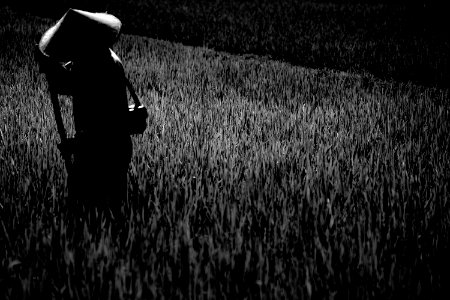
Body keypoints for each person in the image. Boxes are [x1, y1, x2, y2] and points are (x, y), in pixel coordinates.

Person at [36, 8, 132, 224]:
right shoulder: (100, 56)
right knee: (109, 213)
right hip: (113, 147)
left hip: (102, 152)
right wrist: (51, 68)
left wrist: (77, 145)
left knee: (94, 215)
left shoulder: (96, 66)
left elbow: (100, 124)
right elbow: (71, 83)